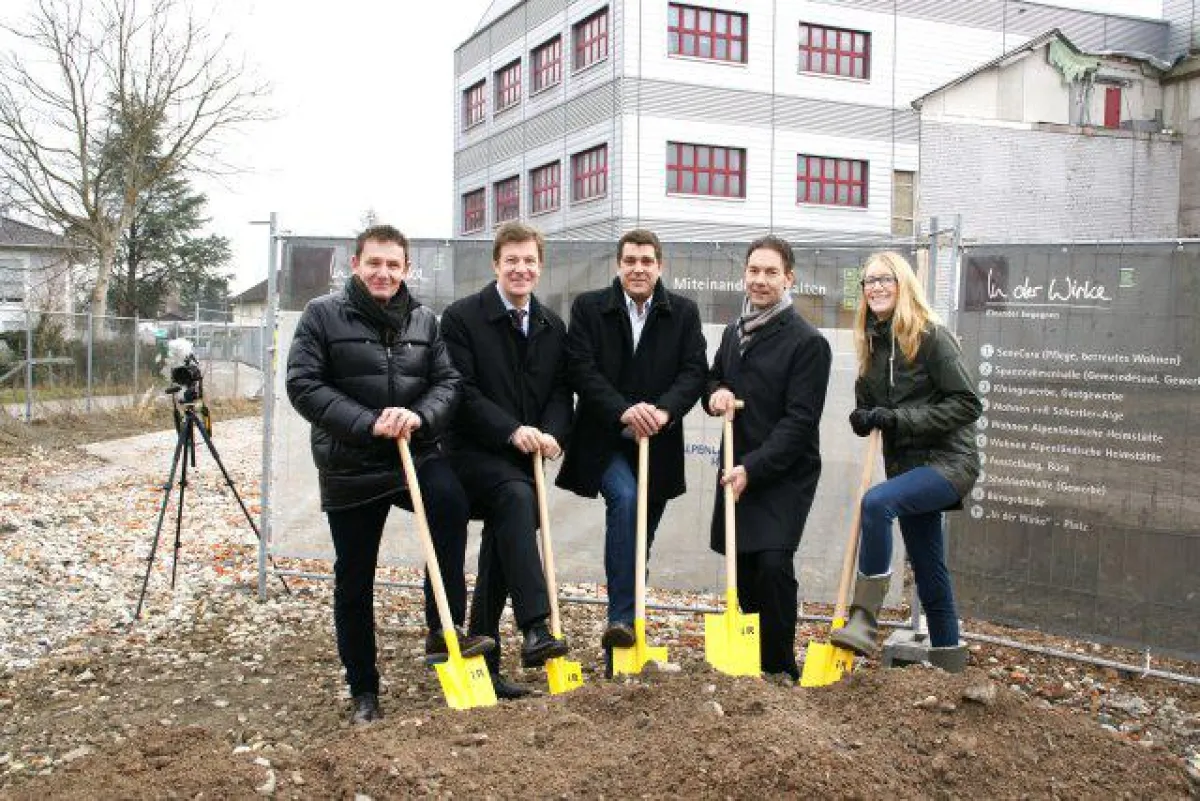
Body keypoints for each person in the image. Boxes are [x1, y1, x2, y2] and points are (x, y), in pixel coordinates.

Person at [285, 224, 494, 724]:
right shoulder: (321, 315)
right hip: (351, 463)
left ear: (406, 270)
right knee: (354, 578)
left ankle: (442, 631)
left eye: (393, 265)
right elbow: (303, 384)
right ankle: (364, 689)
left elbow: (448, 382)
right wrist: (368, 422)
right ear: (354, 265)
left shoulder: (424, 320)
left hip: (413, 455)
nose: (384, 273)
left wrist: (418, 415)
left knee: (450, 504)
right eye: (374, 263)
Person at [556, 228, 707, 664]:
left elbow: (694, 371)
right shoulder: (589, 308)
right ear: (618, 265)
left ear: (660, 266)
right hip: (603, 441)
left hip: (657, 444)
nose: (638, 269)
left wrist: (663, 412)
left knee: (640, 539)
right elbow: (581, 369)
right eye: (630, 261)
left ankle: (622, 648)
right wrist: (624, 410)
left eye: (647, 261)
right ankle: (621, 618)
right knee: (624, 500)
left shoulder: (682, 312)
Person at [831, 251, 982, 672]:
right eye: (869, 281)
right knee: (928, 562)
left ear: (903, 284)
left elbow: (968, 404)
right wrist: (863, 415)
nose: (876, 287)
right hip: (907, 467)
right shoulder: (872, 344)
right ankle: (950, 662)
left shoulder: (932, 336)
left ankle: (863, 621)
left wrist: (898, 419)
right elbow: (872, 407)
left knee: (877, 504)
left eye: (886, 279)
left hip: (949, 462)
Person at [440, 221, 573, 699]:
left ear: (540, 266)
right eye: (511, 260)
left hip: (523, 459)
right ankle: (537, 625)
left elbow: (561, 390)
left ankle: (486, 663)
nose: (521, 268)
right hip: (469, 454)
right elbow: (461, 392)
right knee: (517, 500)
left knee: (506, 534)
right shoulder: (461, 318)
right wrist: (510, 430)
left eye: (529, 260)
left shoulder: (550, 325)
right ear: (496, 264)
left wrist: (554, 432)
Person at [705, 235, 832, 681]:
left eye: (770, 272)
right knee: (743, 569)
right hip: (735, 466)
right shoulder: (732, 331)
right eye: (754, 271)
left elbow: (799, 424)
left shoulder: (807, 342)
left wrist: (752, 469)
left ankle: (779, 670)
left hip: (781, 475)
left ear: (788, 278)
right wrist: (716, 393)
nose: (760, 280)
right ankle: (751, 665)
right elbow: (715, 379)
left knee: (774, 565)